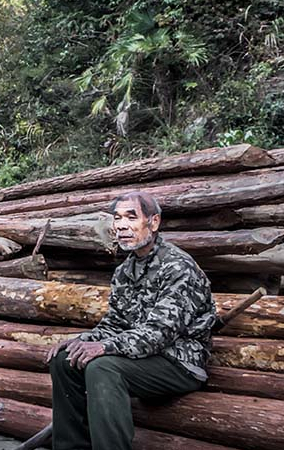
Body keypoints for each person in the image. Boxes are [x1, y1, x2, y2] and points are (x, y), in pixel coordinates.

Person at [45, 190, 217, 450]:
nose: (122, 225)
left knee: (102, 367)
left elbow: (160, 333)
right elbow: (114, 323)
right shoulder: (125, 270)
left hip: (179, 362)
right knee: (64, 361)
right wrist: (81, 340)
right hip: (142, 356)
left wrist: (105, 348)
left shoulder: (177, 267)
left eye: (131, 217)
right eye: (117, 218)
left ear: (154, 222)